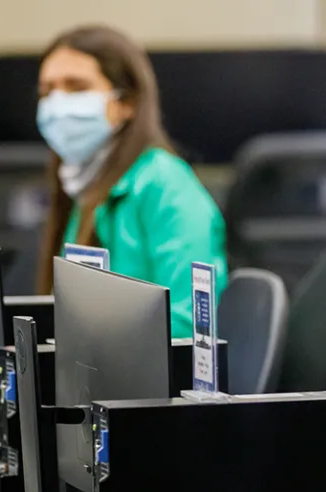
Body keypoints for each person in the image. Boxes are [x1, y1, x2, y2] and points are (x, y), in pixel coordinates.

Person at [35, 25, 228, 339]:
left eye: (77, 87)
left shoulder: (166, 186)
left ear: (127, 101)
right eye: (47, 91)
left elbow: (188, 328)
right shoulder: (81, 183)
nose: (58, 104)